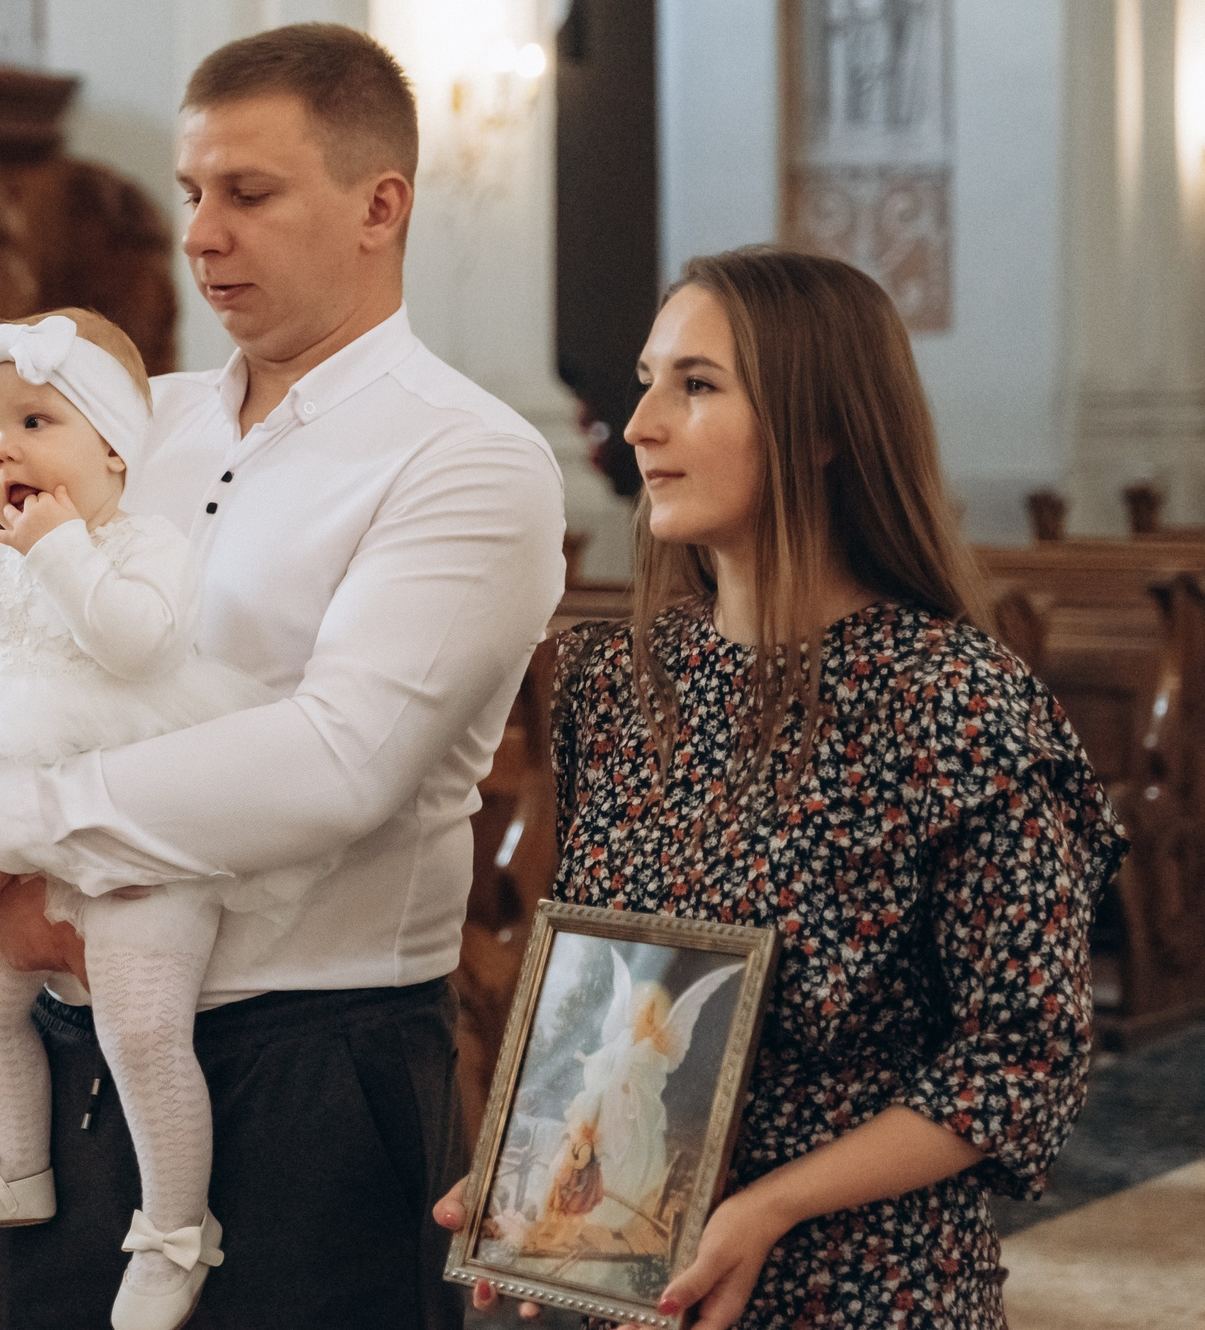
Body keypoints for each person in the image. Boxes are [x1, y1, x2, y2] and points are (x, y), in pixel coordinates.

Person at [0, 23, 570, 1328]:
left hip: (310, 1068)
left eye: (249, 194)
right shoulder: (133, 423)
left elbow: (336, 761)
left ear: (381, 205)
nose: (202, 235)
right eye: (192, 194)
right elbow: (8, 643)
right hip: (67, 1049)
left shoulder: (468, 460)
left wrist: (3, 828)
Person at [436, 248, 1127, 1330]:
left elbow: (1019, 1056)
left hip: (863, 1279)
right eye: (646, 378)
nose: (640, 424)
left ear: (820, 428)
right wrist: (535, 1172)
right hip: (645, 1272)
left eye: (696, 384)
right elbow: (619, 990)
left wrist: (765, 1206)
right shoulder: (616, 684)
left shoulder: (951, 700)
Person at [0, 307, 332, 1330]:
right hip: (23, 836)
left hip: (136, 828)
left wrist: (58, 552)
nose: (5, 449)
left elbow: (134, 645)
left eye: (37, 421)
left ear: (113, 446)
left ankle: (176, 1227)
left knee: (140, 1027)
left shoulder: (146, 546)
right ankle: (16, 1159)